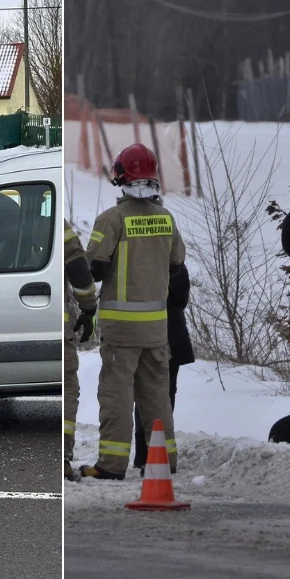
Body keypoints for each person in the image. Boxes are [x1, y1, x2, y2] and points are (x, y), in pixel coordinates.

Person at [77, 143, 185, 480]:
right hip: (156, 329)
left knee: (116, 397)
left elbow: (92, 267)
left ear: (120, 176)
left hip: (122, 331)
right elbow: (177, 263)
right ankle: (163, 462)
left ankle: (111, 465)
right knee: (156, 398)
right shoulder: (166, 218)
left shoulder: (111, 219)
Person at [131, 261, 194, 474]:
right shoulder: (174, 265)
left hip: (147, 333)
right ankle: (158, 453)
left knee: (144, 394)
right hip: (170, 334)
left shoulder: (139, 261)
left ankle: (144, 453)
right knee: (164, 395)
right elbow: (181, 299)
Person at [64, 219, 98, 482]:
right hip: (53, 324)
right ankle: (61, 456)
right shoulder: (54, 222)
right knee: (65, 386)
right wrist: (88, 308)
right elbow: (77, 266)